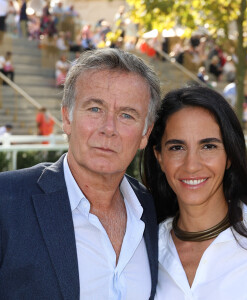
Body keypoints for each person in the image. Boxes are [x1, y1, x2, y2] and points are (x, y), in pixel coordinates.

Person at [0, 48, 161, 299]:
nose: (109, 128)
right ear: (67, 117)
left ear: (145, 134)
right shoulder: (6, 202)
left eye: (127, 115)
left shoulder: (154, 210)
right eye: (95, 109)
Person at [142, 86, 247, 299]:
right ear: (159, 157)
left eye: (208, 146)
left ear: (230, 155)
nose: (191, 165)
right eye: (177, 148)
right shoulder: (143, 252)